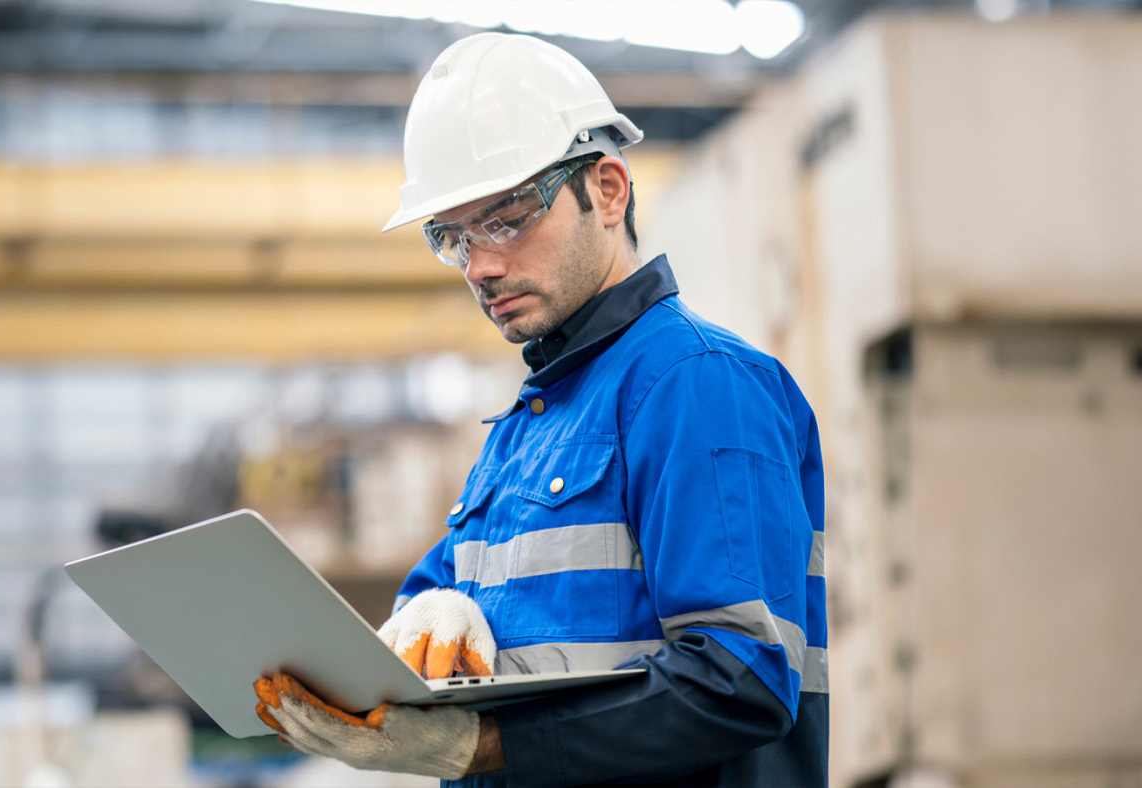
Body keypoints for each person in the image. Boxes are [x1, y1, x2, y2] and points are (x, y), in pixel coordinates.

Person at [253, 32, 827, 787]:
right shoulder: (528, 428)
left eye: (508, 217)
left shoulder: (695, 385)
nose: (481, 266)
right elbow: (439, 600)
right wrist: (434, 615)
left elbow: (738, 682)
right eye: (452, 237)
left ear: (610, 190)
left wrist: (482, 748)